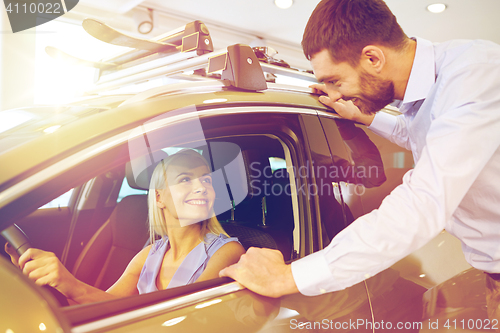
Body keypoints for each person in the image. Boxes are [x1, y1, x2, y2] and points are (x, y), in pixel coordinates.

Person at [220, 0, 500, 311]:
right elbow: (420, 134)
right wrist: (366, 117)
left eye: (335, 81)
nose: (334, 94)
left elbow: (424, 202)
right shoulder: (430, 91)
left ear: (372, 58)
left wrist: (291, 277)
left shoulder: (476, 77)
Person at [6, 149, 245, 304]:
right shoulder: (149, 254)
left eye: (206, 179)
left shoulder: (227, 252)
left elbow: (194, 317)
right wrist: (49, 280)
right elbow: (108, 305)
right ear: (159, 198)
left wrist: (69, 283)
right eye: (185, 179)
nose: (201, 187)